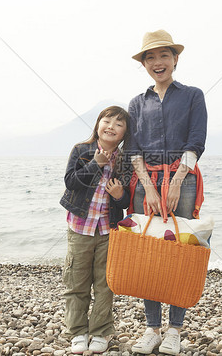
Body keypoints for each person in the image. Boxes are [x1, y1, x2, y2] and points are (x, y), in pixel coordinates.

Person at [127, 30, 208, 355]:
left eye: (163, 56)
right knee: (149, 253)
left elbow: (196, 140)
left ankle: (175, 329)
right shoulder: (137, 102)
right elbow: (133, 150)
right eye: (150, 57)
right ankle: (152, 328)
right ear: (145, 64)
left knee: (181, 251)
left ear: (175, 59)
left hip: (183, 181)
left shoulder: (193, 95)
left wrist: (175, 182)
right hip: (146, 184)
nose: (157, 62)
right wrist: (149, 187)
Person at [59, 106, 131, 354]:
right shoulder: (82, 150)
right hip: (80, 227)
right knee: (76, 282)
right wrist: (96, 164)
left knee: (105, 284)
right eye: (107, 120)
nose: (111, 126)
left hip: (108, 230)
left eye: (118, 124)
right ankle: (78, 331)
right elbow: (70, 181)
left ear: (124, 133)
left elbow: (125, 201)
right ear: (98, 124)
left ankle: (100, 332)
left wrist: (120, 195)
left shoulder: (124, 159)